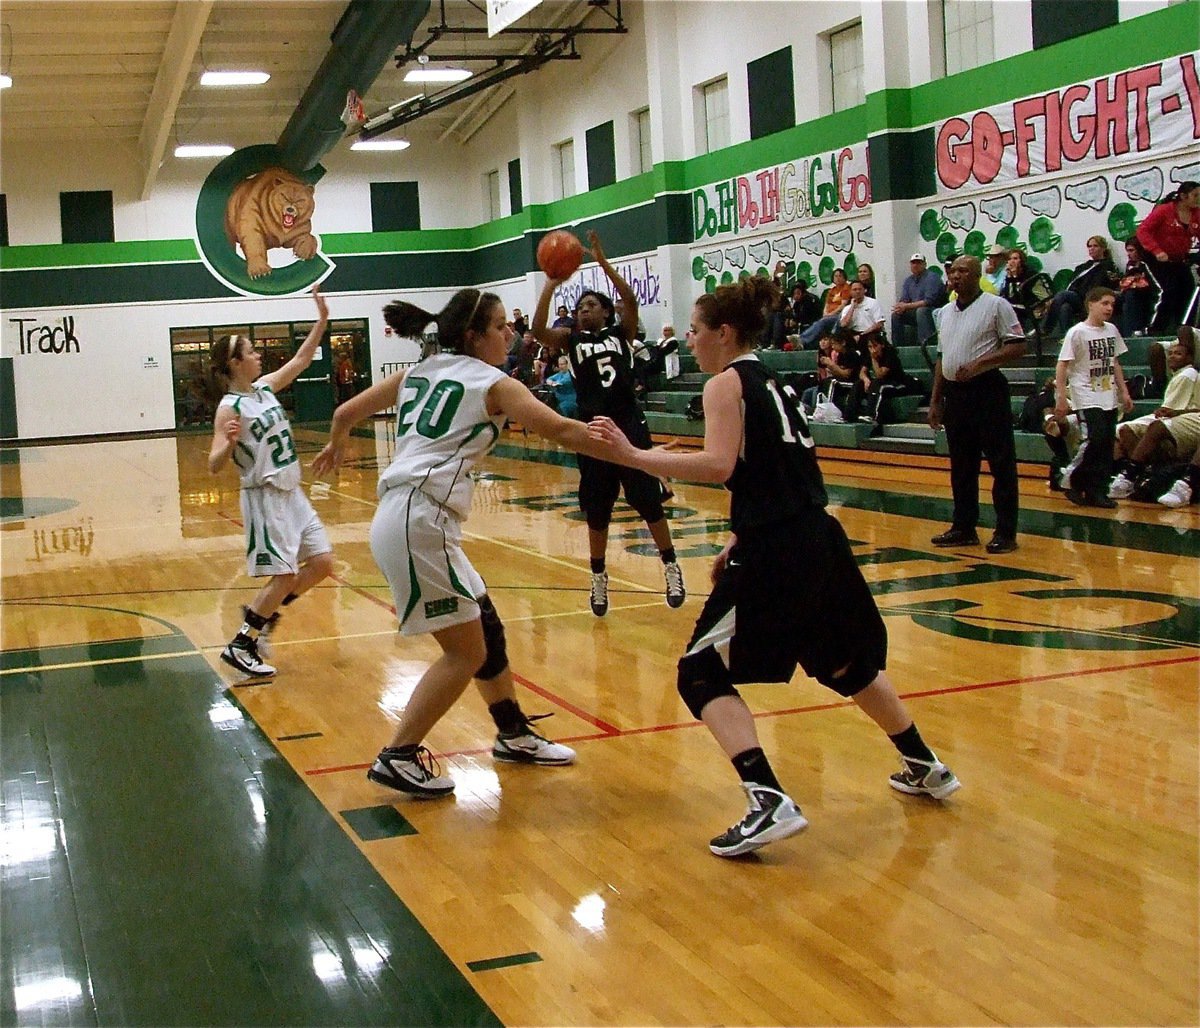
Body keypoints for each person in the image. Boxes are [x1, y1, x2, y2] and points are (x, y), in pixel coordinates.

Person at [586, 275, 960, 858]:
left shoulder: (725, 384)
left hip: (779, 549)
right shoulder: (774, 383)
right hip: (816, 535)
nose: (688, 339)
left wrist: (633, 455)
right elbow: (776, 469)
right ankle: (924, 763)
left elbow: (716, 465)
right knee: (843, 662)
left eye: (695, 329)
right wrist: (739, 531)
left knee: (699, 672)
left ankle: (767, 798)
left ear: (724, 333)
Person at [311, 288, 609, 798]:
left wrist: (336, 445)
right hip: (419, 523)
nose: (509, 334)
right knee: (464, 653)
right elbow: (562, 429)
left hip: (411, 519)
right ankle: (398, 754)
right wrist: (638, 456)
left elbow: (344, 414)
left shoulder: (419, 371)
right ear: (474, 335)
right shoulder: (495, 384)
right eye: (500, 326)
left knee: (485, 623)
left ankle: (513, 733)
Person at [531, 229, 685, 616]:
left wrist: (601, 261)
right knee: (597, 511)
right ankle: (598, 578)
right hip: (592, 430)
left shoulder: (622, 331)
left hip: (628, 425)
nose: (583, 310)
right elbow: (536, 331)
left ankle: (670, 565)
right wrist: (550, 286)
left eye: (590, 305)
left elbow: (629, 299)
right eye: (580, 306)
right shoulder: (570, 340)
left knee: (648, 501)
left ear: (605, 311)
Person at [207, 286, 335, 678]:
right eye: (251, 351)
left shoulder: (263, 390)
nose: (258, 354)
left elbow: (300, 359)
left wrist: (322, 321)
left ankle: (265, 617)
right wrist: (227, 444)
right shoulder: (230, 407)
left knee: (323, 562)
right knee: (283, 575)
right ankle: (241, 643)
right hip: (264, 496)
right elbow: (213, 465)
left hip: (292, 492)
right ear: (234, 363)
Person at [928, 256, 1026, 554]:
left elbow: (1018, 345)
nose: (956, 276)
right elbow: (942, 357)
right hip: (955, 395)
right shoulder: (944, 312)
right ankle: (964, 527)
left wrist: (981, 363)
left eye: (963, 271)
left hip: (987, 391)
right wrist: (935, 400)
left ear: (977, 276)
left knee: (1000, 463)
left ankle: (1006, 532)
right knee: (961, 465)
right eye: (953, 271)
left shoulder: (997, 306)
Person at [1054, 287, 1133, 508]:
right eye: (1105, 303)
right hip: (1085, 394)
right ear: (1091, 304)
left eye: (1112, 305)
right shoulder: (1077, 332)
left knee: (1107, 443)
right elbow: (1062, 365)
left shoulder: (1112, 330)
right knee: (1094, 438)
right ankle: (1070, 477)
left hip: (1108, 393)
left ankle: (1096, 490)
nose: (1109, 308)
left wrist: (1124, 391)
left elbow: (1114, 362)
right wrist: (1061, 396)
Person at [1109, 328, 1200, 498]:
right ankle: (1138, 477)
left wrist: (1175, 412)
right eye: (1171, 353)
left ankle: (1138, 476)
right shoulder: (1180, 374)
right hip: (1179, 415)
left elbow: (1170, 410)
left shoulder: (1189, 373)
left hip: (1186, 417)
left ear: (1189, 357)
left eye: (1178, 354)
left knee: (1154, 427)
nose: (1172, 356)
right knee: (1124, 430)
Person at [1136, 181, 1200, 334]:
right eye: (1195, 195)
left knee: (1189, 289)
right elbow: (1142, 231)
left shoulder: (1196, 214)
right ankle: (1154, 329)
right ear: (1183, 196)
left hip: (1177, 259)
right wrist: (1157, 250)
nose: (1199, 198)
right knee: (1168, 290)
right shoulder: (1164, 211)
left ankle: (1185, 330)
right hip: (1154, 258)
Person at [1040, 236, 1122, 339]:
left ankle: (1046, 328)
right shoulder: (1084, 266)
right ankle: (1068, 337)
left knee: (1063, 295)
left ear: (1103, 248)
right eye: (1089, 246)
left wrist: (1077, 292)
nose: (1091, 249)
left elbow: (1099, 286)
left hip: (1088, 298)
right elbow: (1072, 282)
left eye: (1095, 246)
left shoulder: (1107, 266)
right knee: (1065, 307)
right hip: (1076, 297)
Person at [848, 331, 922, 426]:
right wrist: (866, 380)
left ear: (881, 345)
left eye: (875, 346)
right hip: (882, 382)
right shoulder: (869, 355)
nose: (873, 349)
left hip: (898, 383)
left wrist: (874, 360)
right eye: (870, 347)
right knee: (859, 384)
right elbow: (862, 372)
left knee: (878, 386)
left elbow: (880, 374)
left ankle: (872, 416)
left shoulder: (889, 354)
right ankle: (850, 415)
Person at [891, 253, 947, 347]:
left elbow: (928, 301)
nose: (915, 265)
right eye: (913, 263)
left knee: (921, 311)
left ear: (924, 264)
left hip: (933, 310)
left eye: (918, 263)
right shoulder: (908, 280)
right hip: (915, 311)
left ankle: (925, 345)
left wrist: (906, 306)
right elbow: (904, 300)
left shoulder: (932, 277)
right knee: (896, 315)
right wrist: (900, 307)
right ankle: (898, 347)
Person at [999, 249, 1054, 342]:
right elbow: (1009, 296)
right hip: (1017, 307)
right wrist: (1011, 278)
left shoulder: (1031, 275)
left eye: (1015, 258)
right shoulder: (1009, 276)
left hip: (1033, 307)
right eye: (1009, 259)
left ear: (1022, 261)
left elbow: (1045, 297)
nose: (1011, 261)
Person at [1114, 238, 1158, 338]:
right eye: (1127, 251)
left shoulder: (1147, 265)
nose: (1128, 254)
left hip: (1144, 298)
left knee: (1130, 296)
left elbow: (1156, 288)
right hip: (1128, 296)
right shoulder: (1130, 266)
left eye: (1131, 250)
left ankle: (1135, 332)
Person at [799, 268, 851, 347]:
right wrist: (825, 314)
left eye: (840, 276)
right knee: (819, 322)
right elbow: (826, 305)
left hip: (839, 315)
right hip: (829, 315)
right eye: (836, 276)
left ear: (844, 278)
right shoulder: (832, 290)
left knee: (821, 323)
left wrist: (830, 314)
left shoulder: (846, 288)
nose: (838, 278)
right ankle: (803, 341)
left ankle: (801, 340)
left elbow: (843, 305)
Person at [836, 279, 885, 345]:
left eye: (860, 289)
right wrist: (852, 307)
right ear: (850, 292)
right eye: (855, 290)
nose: (858, 291)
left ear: (864, 290)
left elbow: (879, 324)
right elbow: (843, 324)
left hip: (869, 333)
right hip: (853, 334)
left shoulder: (873, 303)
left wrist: (861, 335)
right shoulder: (847, 308)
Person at [545, 354, 579, 418]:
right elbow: (548, 379)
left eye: (562, 364)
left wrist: (553, 383)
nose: (560, 366)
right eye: (559, 364)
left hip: (569, 401)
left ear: (567, 364)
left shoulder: (570, 375)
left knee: (559, 410)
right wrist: (551, 382)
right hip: (558, 400)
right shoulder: (559, 374)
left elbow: (561, 382)